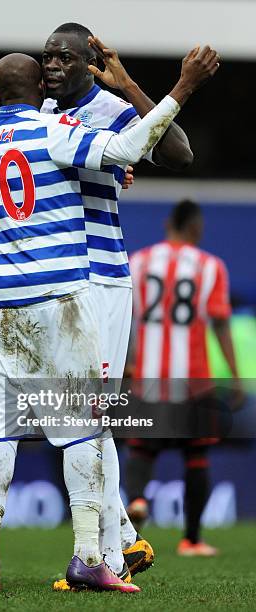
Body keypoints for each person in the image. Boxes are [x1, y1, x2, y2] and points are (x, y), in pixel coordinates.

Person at [0, 45, 219, 592]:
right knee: (86, 426)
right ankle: (92, 554)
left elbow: (7, 152)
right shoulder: (54, 130)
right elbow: (133, 144)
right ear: (40, 91)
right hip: (61, 301)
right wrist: (182, 87)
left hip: (3, 309)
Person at [125, 199, 241, 555]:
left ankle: (138, 501)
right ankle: (191, 538)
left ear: (166, 223)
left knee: (142, 450)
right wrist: (235, 376)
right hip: (193, 379)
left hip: (148, 377)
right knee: (197, 456)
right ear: (194, 227)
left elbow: (123, 320)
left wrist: (124, 367)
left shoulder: (138, 263)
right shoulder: (210, 267)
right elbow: (220, 322)